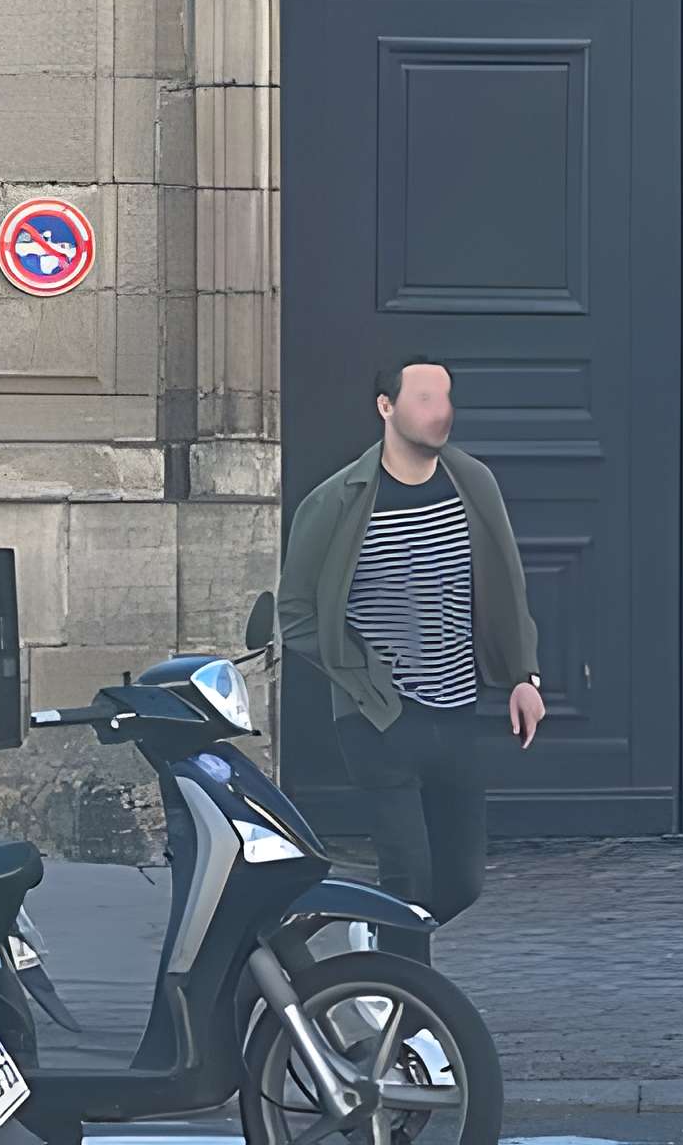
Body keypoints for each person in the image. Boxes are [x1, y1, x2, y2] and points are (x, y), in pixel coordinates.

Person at [280, 358, 546, 959]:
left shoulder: (472, 483)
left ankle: (374, 934)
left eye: (445, 398)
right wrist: (362, 676)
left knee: (462, 882)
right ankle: (407, 1009)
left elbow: (506, 586)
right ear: (386, 407)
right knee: (408, 879)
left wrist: (522, 676)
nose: (440, 411)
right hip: (380, 718)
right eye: (424, 399)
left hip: (457, 710)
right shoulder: (337, 501)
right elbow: (295, 613)